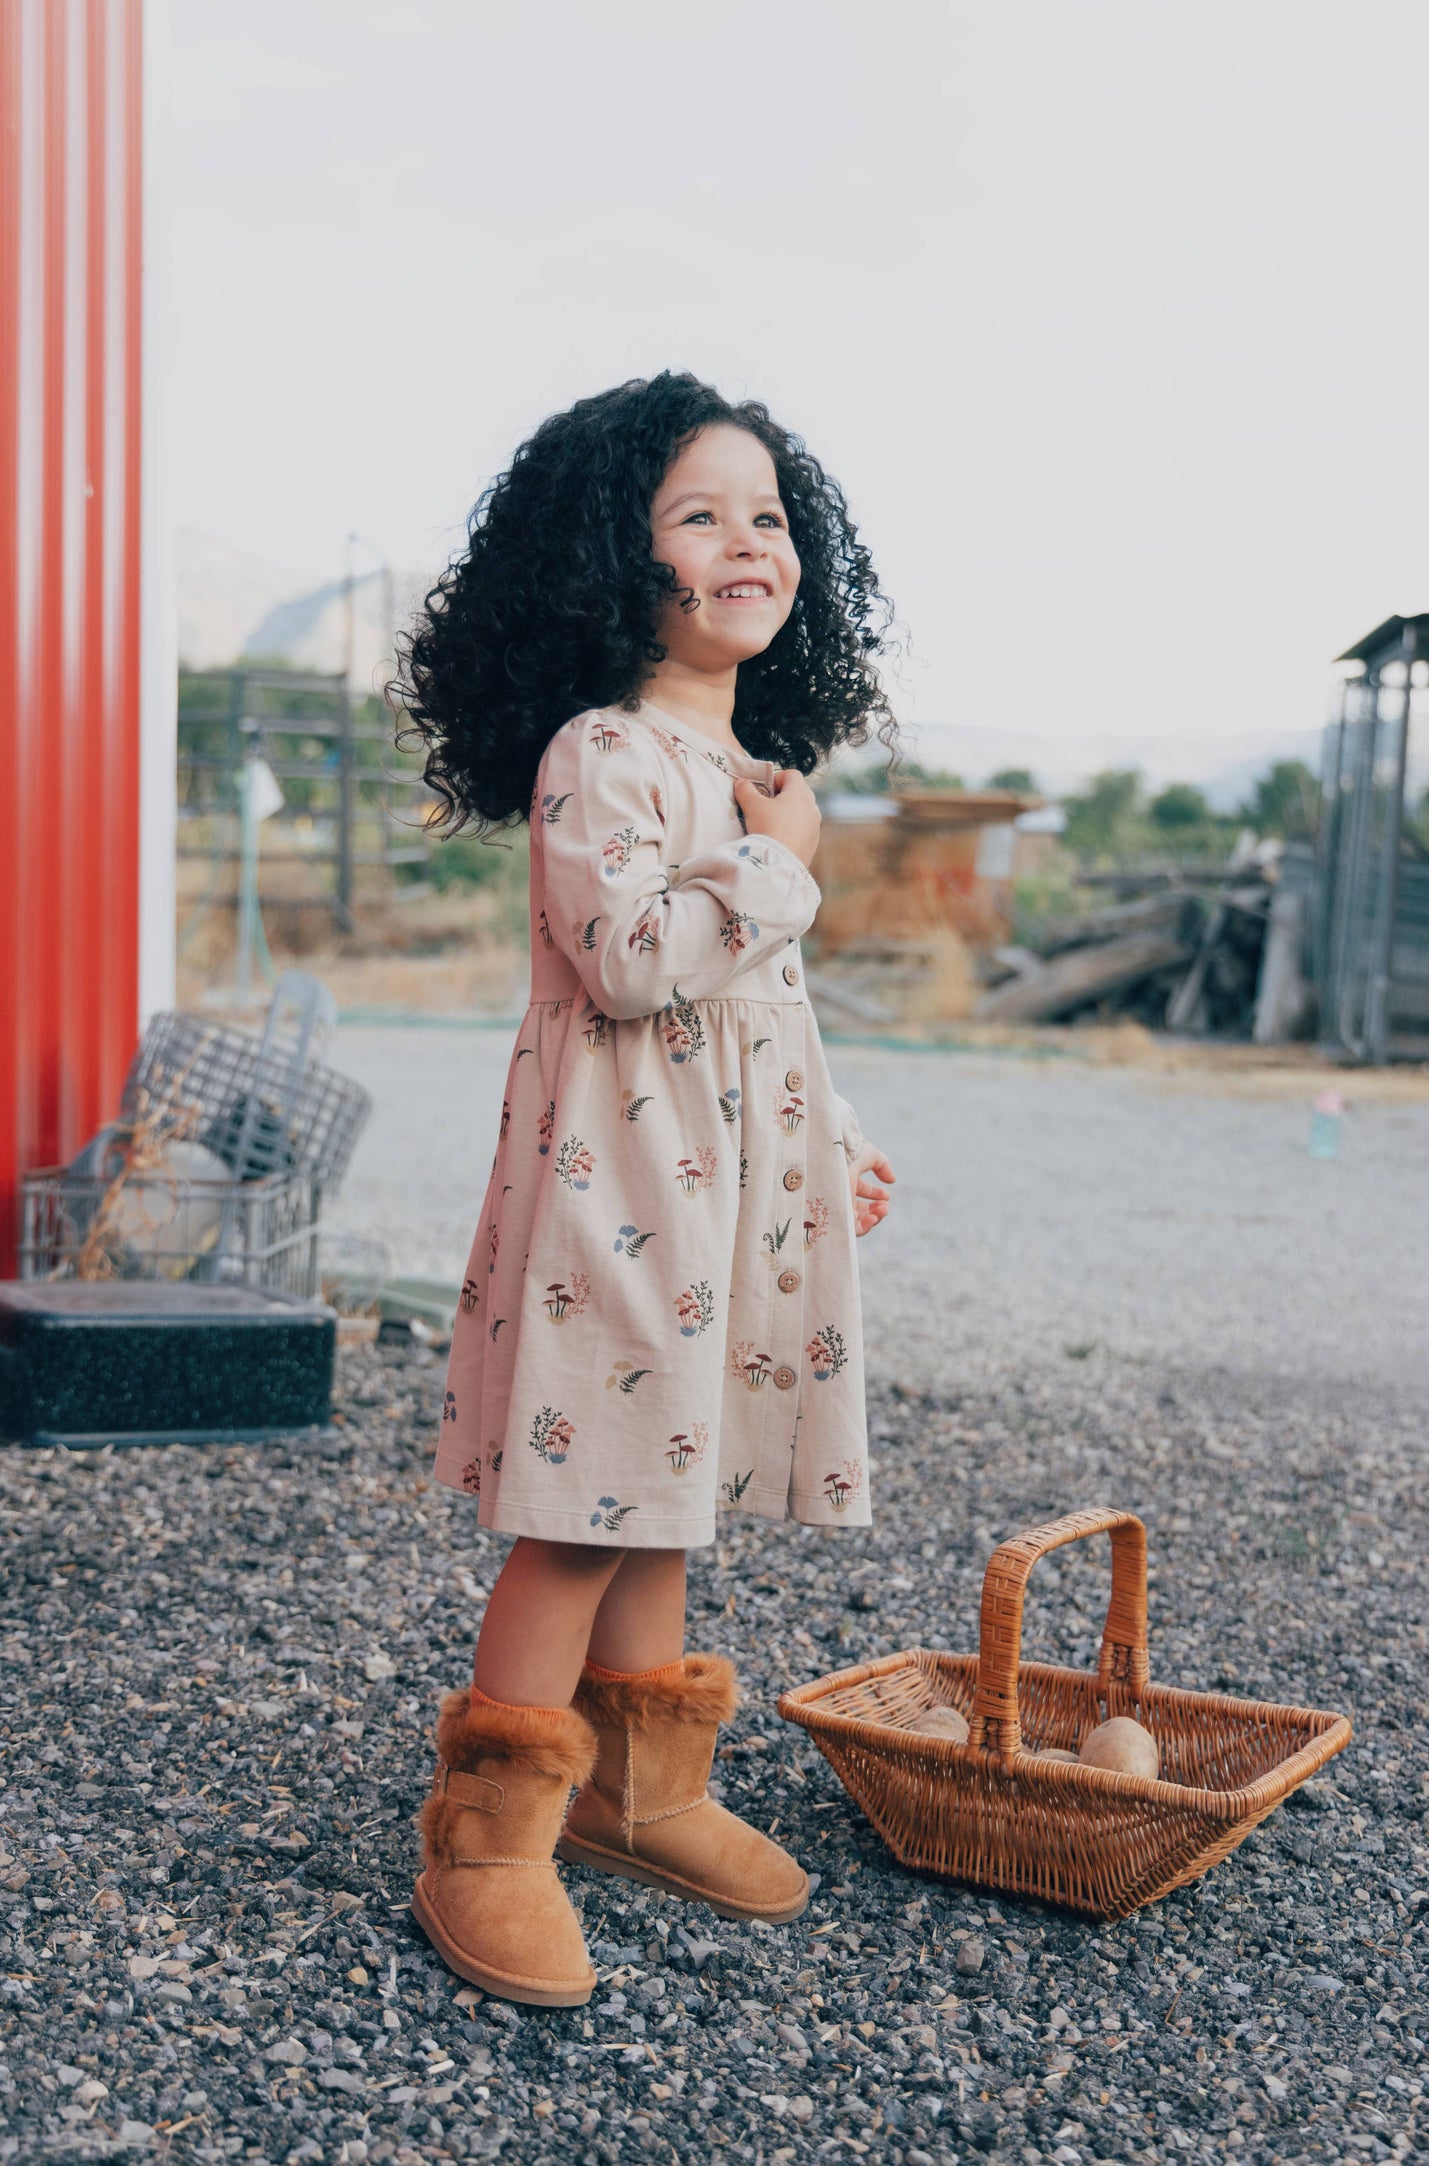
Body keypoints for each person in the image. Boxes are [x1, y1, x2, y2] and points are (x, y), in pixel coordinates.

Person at [393, 371, 900, 2007]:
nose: (744, 540)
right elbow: (627, 969)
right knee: (582, 1488)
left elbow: (755, 1003)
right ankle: (486, 1832)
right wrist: (780, 863)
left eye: (767, 514)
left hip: (724, 1188)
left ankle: (641, 1787)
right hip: (620, 1189)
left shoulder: (747, 763)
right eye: (699, 513)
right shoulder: (602, 751)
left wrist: (829, 1136)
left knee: (663, 1476)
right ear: (617, 561)